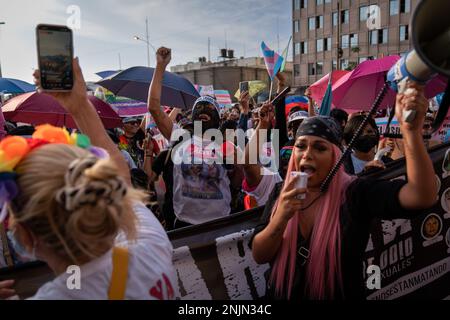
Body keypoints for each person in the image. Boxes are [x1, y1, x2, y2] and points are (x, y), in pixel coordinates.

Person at [0, 58, 176, 300]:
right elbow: (119, 175)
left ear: (26, 236)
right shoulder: (148, 246)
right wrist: (79, 105)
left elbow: (118, 178)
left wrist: (80, 105)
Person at [250, 83, 437, 300]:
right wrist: (281, 216)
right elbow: (259, 255)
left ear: (335, 156)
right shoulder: (280, 192)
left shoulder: (356, 192)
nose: (306, 155)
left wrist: (411, 133)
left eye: (320, 148)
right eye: (301, 146)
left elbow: (422, 196)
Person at [147, 47, 243, 229]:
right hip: (184, 226)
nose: (203, 111)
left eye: (209, 108)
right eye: (198, 108)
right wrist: (160, 66)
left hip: (220, 225)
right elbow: (153, 108)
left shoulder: (228, 146)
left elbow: (238, 181)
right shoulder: (180, 138)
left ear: (218, 117)